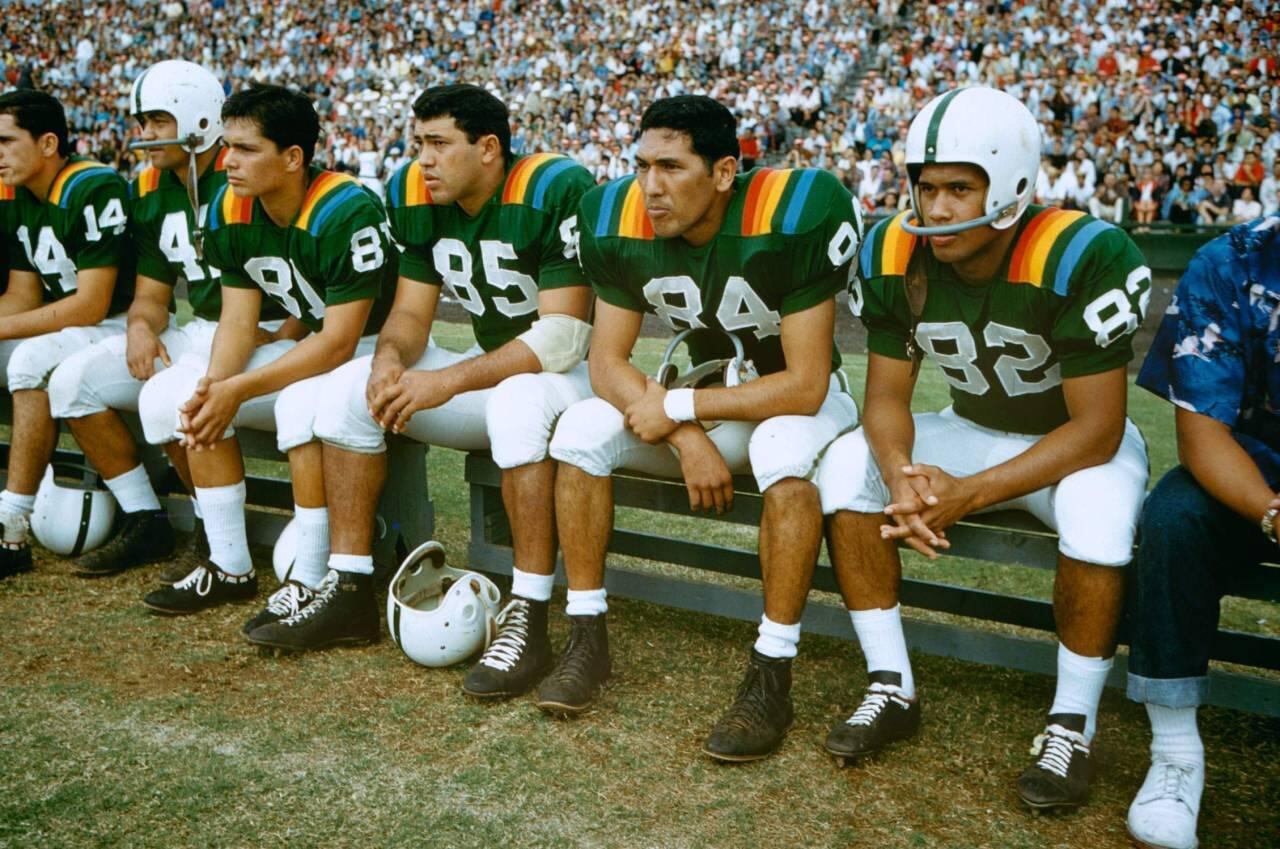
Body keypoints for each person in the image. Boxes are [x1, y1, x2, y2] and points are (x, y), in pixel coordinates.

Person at [815, 87, 1150, 812]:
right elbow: (886, 398)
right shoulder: (892, 250)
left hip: (1072, 448)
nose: (936, 209)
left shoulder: (1079, 253)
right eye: (926, 186)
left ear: (1012, 187)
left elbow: (1097, 428)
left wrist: (970, 492)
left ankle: (1073, 724)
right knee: (848, 465)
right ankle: (890, 684)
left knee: (1098, 516)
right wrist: (900, 476)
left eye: (960, 189)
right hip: (969, 425)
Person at [545, 95, 861, 763]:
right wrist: (684, 432)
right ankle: (586, 636)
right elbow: (605, 363)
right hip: (705, 398)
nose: (650, 186)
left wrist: (682, 409)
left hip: (793, 403)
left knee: (783, 454)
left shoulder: (793, 213)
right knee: (578, 431)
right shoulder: (614, 216)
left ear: (723, 172)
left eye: (670, 167)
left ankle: (772, 672)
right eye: (641, 166)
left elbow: (804, 384)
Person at [297, 84, 596, 667]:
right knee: (348, 387)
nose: (424, 159)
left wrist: (448, 381)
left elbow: (563, 336)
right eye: (418, 143)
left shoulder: (552, 187)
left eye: (438, 143)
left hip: (575, 381)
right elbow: (411, 314)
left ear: (488, 148)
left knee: (519, 400)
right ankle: (351, 583)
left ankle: (529, 610)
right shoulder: (414, 193)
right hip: (498, 375)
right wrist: (389, 359)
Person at [138, 84, 395, 627]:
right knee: (186, 397)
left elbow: (340, 339)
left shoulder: (346, 208)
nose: (228, 161)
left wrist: (238, 389)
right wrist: (216, 386)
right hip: (314, 341)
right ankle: (229, 563)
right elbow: (237, 320)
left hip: (377, 347)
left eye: (247, 149)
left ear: (293, 157)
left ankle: (311, 576)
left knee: (298, 404)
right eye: (228, 145)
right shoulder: (231, 206)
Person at [48, 61, 292, 579]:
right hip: (204, 328)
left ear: (199, 117)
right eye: (142, 122)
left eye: (158, 120)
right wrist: (140, 327)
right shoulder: (150, 188)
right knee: (72, 382)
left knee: (175, 399)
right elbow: (152, 295)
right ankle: (148, 518)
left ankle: (214, 533)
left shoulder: (248, 175)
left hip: (270, 333)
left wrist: (286, 332)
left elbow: (310, 281)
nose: (145, 135)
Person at [1125, 213, 1280, 849]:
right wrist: (1273, 513)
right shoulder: (1232, 260)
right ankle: (1175, 751)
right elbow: (1202, 437)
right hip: (1254, 471)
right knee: (1174, 517)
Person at [0, 90, 135, 578]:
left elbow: (91, 303)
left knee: (30, 361)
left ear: (48, 143)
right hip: (75, 327)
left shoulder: (93, 186)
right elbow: (22, 296)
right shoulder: (20, 194)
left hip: (119, 324)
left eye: (6, 141)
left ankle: (10, 527)